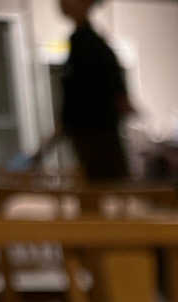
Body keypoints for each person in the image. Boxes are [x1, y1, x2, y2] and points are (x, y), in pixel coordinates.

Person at [32, 0, 133, 181]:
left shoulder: (89, 44)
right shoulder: (84, 41)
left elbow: (82, 97)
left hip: (96, 135)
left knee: (104, 190)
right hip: (93, 134)